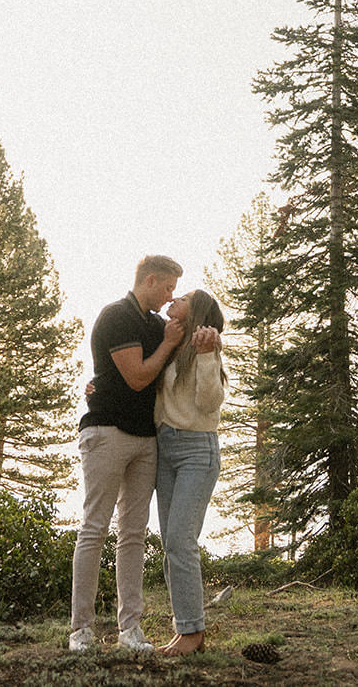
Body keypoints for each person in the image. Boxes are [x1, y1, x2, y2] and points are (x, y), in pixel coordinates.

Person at [68, 255, 185, 653]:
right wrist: (168, 343)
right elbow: (137, 377)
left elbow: (184, 345)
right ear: (150, 280)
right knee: (94, 527)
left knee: (133, 534)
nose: (170, 296)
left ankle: (130, 629)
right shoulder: (116, 316)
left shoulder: (156, 325)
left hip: (145, 438)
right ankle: (80, 630)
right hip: (106, 432)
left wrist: (206, 337)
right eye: (167, 287)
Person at [152, 289, 226, 656]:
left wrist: (208, 355)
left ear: (195, 312)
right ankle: (185, 628)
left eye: (180, 298)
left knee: (181, 538)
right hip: (165, 449)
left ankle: (193, 632)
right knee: (171, 544)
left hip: (197, 449)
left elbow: (209, 402)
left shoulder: (206, 346)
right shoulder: (170, 344)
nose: (172, 301)